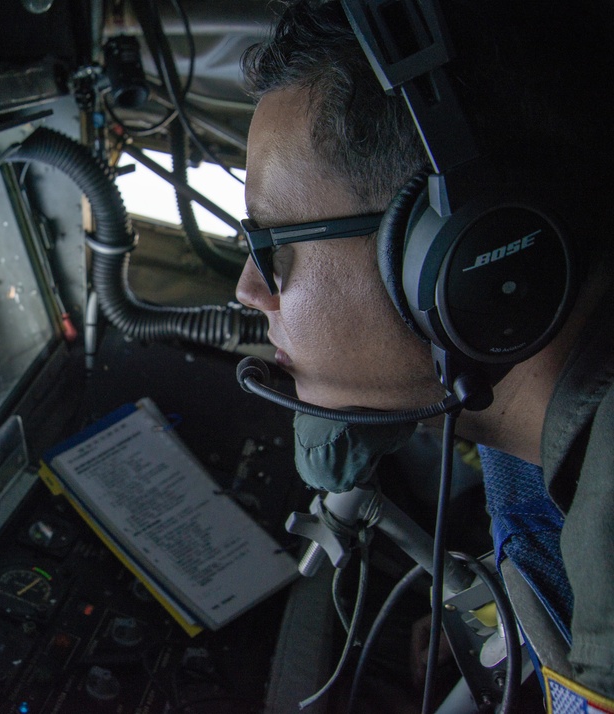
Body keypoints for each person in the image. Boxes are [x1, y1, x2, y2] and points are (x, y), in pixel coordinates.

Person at [234, 0, 614, 703]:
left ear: (451, 251)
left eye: (269, 245)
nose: (249, 289)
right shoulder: (531, 412)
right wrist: (517, 612)